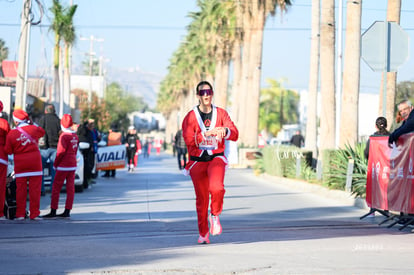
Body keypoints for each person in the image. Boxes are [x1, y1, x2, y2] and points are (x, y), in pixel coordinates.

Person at [182, 81, 239, 244]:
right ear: (198, 95)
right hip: (197, 161)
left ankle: (215, 214)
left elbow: (235, 133)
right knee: (201, 199)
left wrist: (225, 131)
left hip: (216, 158)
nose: (206, 95)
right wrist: (206, 135)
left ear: (212, 93)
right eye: (202, 92)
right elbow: (188, 139)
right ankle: (203, 233)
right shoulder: (190, 116)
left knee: (217, 188)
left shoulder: (221, 113)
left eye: (208, 91)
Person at [4, 109, 45, 220]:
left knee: (20, 190)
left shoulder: (12, 134)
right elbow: (42, 131)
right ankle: (34, 213)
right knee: (35, 190)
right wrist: (31, 123)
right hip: (35, 163)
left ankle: (20, 214)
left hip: (21, 164)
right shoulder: (34, 129)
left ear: (16, 122)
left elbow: (8, 150)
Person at [42, 114, 79, 219]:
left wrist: (55, 164)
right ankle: (67, 211)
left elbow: (60, 152)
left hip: (63, 165)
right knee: (70, 188)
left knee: (56, 188)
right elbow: (75, 151)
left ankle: (53, 210)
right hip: (72, 165)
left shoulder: (64, 136)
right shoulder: (75, 136)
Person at [38, 104, 61, 196]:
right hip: (55, 147)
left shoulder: (43, 119)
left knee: (40, 169)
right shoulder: (58, 120)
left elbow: (39, 132)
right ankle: (53, 189)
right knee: (54, 170)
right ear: (54, 111)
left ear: (45, 111)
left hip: (44, 148)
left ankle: (42, 189)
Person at [0, 101, 10, 221]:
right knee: (1, 185)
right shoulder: (4, 123)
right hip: (2, 156)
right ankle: (0, 213)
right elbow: (9, 140)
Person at [77, 120, 94, 188]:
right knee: (86, 166)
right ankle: (86, 181)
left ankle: (86, 181)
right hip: (85, 154)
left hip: (85, 153)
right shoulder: (86, 133)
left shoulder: (79, 134)